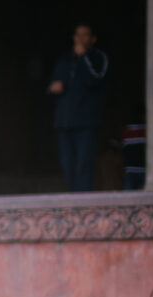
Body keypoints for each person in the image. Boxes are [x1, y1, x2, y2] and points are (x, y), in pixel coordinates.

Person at [49, 23, 109, 192]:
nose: (80, 39)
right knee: (67, 163)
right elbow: (55, 83)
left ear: (93, 39)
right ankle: (73, 195)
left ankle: (82, 197)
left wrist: (83, 57)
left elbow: (95, 79)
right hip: (65, 121)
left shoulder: (97, 58)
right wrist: (53, 87)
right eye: (78, 35)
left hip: (86, 121)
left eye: (85, 35)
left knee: (84, 162)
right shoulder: (66, 60)